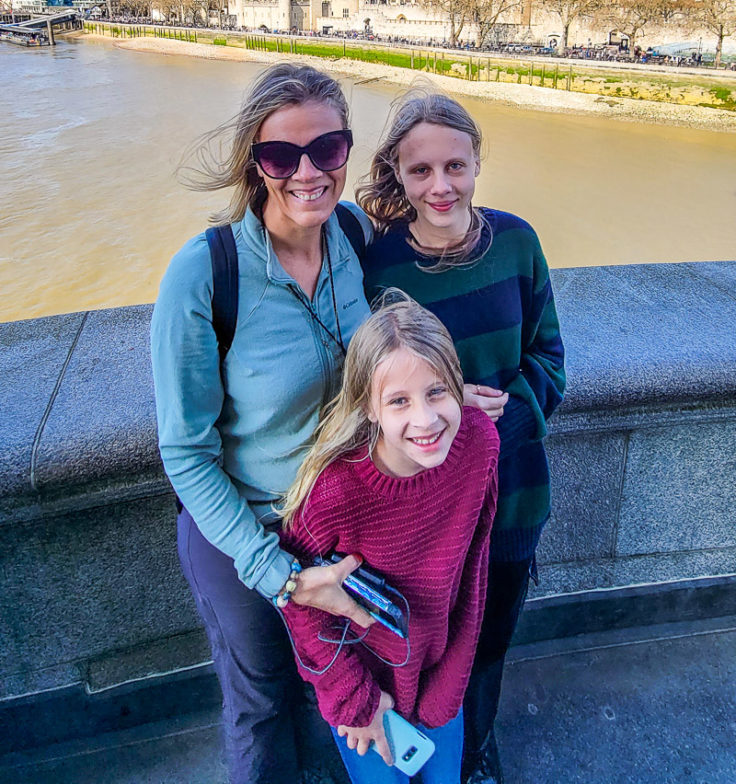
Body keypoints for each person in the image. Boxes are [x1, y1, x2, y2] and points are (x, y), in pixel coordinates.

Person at [150, 64, 376, 784]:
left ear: (347, 150)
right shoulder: (204, 274)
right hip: (243, 534)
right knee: (263, 704)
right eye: (282, 156)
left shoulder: (355, 234)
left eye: (328, 149)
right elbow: (186, 452)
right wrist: (277, 575)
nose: (307, 172)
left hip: (340, 525)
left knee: (334, 691)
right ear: (255, 163)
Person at [356, 89, 566, 784]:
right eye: (421, 172)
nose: (440, 186)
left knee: (490, 644)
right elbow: (362, 389)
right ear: (398, 173)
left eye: (456, 166)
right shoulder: (379, 269)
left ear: (478, 163)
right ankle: (422, 753)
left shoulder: (517, 244)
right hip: (423, 510)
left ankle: (475, 752)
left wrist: (505, 410)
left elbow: (551, 360)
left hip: (511, 495)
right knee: (423, 647)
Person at [278, 298, 500, 784]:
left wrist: (450, 684)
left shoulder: (480, 444)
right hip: (362, 696)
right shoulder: (333, 493)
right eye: (399, 400)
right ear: (368, 408)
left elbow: (473, 574)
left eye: (437, 392)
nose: (425, 421)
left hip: (441, 679)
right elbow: (298, 605)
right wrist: (354, 700)